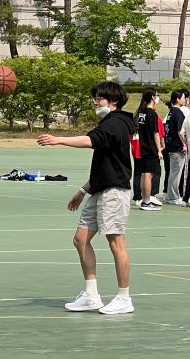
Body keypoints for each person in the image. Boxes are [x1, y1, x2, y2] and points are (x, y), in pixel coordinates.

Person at [38, 81, 136, 315]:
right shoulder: (110, 123)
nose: (95, 102)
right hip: (100, 189)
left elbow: (90, 140)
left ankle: (124, 298)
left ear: (113, 101)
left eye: (99, 98)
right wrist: (82, 191)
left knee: (116, 243)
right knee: (80, 239)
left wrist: (58, 139)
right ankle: (91, 296)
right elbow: (106, 167)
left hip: (114, 193)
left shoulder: (116, 123)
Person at [135, 89, 162, 211]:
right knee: (148, 174)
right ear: (152, 97)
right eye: (156, 95)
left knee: (144, 173)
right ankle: (146, 201)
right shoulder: (152, 114)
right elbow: (155, 133)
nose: (157, 97)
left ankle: (145, 199)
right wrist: (159, 150)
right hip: (150, 148)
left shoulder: (142, 112)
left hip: (143, 146)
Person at [164, 90, 187, 205]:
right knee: (176, 172)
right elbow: (180, 131)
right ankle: (173, 197)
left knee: (173, 172)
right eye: (183, 97)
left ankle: (170, 195)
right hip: (177, 146)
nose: (185, 99)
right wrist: (184, 144)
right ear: (177, 99)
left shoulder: (171, 112)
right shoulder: (178, 112)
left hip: (171, 144)